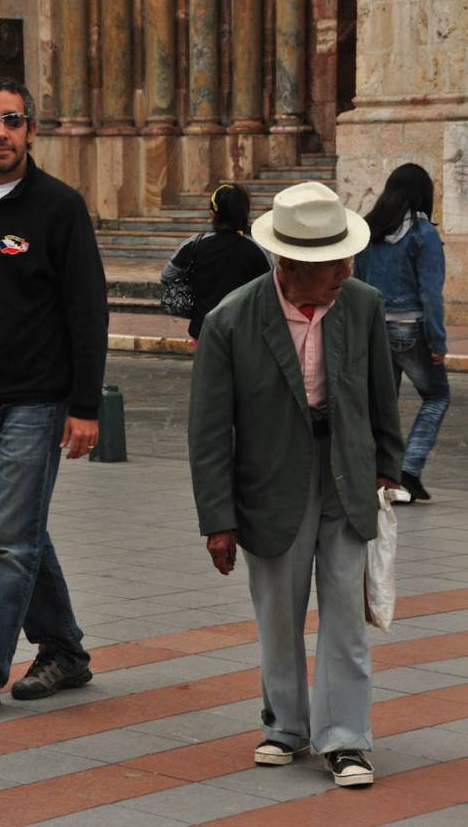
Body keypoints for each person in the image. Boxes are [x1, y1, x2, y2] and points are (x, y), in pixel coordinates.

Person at [188, 182, 403, 788]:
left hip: (348, 473)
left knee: (344, 610)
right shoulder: (230, 320)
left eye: (345, 256)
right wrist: (218, 519)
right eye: (330, 262)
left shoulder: (362, 305)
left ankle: (345, 738)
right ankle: (286, 724)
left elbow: (381, 393)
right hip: (270, 480)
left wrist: (389, 466)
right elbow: (208, 431)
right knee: (278, 609)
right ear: (290, 263)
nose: (344, 270)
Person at [0, 76, 108, 724]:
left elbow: (88, 312)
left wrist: (85, 405)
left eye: (11, 120)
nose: (0, 133)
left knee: (10, 540)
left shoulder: (59, 207)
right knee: (17, 533)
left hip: (39, 400)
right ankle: (63, 648)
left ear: (32, 129)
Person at [354, 163, 450, 502]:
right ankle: (408, 469)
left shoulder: (370, 230)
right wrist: (437, 341)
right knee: (437, 396)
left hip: (376, 327)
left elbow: (358, 285)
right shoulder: (423, 235)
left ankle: (376, 472)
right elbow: (430, 294)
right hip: (411, 329)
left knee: (382, 402)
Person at [160, 183, 270, 340]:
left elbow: (167, 276)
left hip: (204, 330)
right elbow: (271, 285)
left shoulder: (194, 244)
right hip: (243, 334)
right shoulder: (257, 248)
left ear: (213, 215)